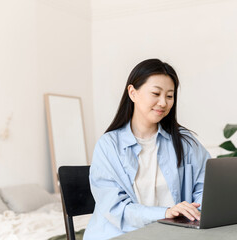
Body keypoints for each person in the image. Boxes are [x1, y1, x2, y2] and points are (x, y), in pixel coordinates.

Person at [83, 59, 210, 240]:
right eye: (156, 93)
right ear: (132, 93)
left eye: (169, 96)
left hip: (171, 234)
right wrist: (166, 212)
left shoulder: (184, 141)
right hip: (119, 235)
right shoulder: (109, 145)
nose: (163, 103)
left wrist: (197, 210)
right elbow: (116, 209)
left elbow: (206, 185)